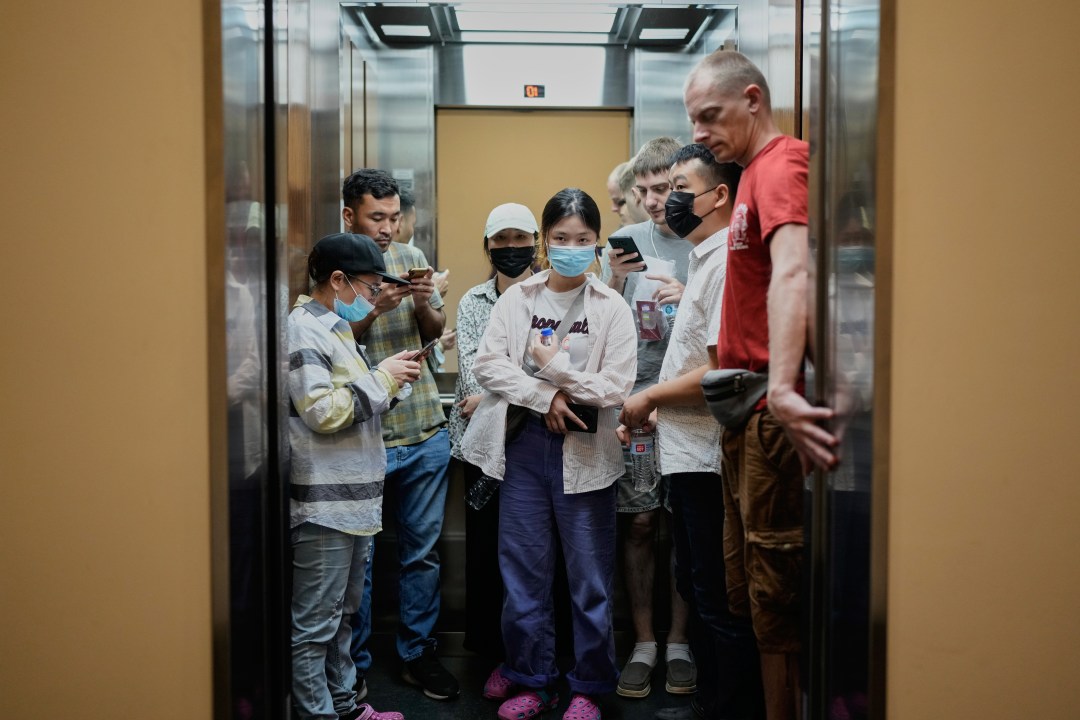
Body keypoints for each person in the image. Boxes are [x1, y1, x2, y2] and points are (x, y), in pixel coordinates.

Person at [684, 50, 839, 720]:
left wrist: (781, 386)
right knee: (745, 585)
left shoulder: (781, 164)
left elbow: (794, 270)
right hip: (743, 413)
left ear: (752, 99)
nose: (700, 132)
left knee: (775, 597)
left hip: (768, 408)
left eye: (710, 116)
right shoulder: (747, 176)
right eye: (693, 119)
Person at [461, 188, 637, 720]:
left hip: (587, 451)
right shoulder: (520, 300)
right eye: (560, 238)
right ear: (545, 242)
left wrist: (556, 372)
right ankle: (529, 677)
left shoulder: (612, 308)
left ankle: (588, 685)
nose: (571, 248)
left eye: (582, 240)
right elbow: (488, 366)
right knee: (523, 574)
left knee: (588, 578)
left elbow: (615, 387)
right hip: (523, 450)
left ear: (597, 243)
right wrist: (548, 396)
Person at [618, 145, 763, 720]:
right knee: (699, 582)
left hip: (707, 460)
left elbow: (723, 371)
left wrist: (651, 395)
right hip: (686, 448)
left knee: (715, 596)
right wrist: (661, 409)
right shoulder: (709, 258)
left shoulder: (726, 263)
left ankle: (725, 706)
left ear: (718, 195)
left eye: (680, 186)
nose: (668, 199)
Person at [287, 232, 422, 720]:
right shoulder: (303, 329)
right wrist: (383, 377)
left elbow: (355, 402)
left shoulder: (334, 328)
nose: (369, 299)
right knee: (313, 626)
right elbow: (322, 412)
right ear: (338, 280)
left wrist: (395, 382)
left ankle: (344, 706)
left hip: (354, 503)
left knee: (341, 618)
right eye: (367, 288)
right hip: (325, 506)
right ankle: (319, 714)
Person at [341, 169, 460, 702]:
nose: (388, 229)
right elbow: (331, 348)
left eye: (394, 217)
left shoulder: (411, 257)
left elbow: (434, 335)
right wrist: (371, 311)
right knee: (359, 562)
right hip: (364, 436)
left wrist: (421, 300)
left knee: (422, 553)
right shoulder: (335, 271)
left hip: (424, 430)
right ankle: (355, 665)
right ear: (350, 216)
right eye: (376, 217)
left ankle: (417, 655)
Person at [602, 136, 696, 700]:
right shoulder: (626, 242)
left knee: (684, 526)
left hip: (687, 408)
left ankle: (680, 641)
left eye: (663, 188)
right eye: (645, 190)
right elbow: (598, 319)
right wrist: (612, 279)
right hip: (633, 407)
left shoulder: (701, 244)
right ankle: (643, 641)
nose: (654, 200)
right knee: (637, 523)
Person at [447, 202, 541, 698]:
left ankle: (536, 658)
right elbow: (470, 386)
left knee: (532, 557)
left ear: (535, 242)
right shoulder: (472, 302)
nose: (510, 248)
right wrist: (522, 385)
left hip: (537, 447)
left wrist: (505, 388)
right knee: (486, 555)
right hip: (482, 450)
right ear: (487, 246)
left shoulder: (553, 296)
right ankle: (493, 656)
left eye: (519, 238)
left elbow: (555, 371)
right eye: (500, 240)